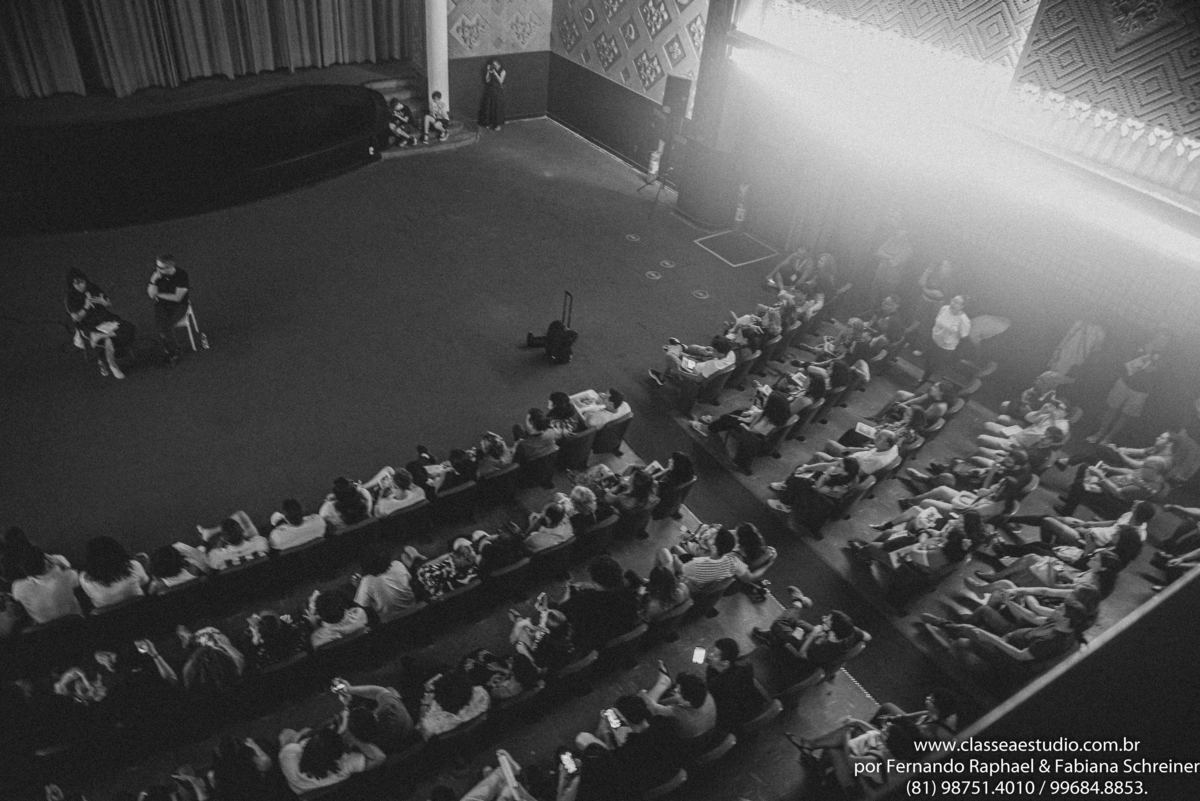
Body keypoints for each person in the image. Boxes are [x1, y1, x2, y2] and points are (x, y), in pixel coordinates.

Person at [1088, 329, 1170, 446]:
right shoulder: (1141, 344)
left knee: (1125, 416)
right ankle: (1099, 434)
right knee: (1111, 409)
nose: (1161, 342)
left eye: (1165, 340)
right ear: (1155, 336)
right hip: (1125, 382)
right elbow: (1125, 357)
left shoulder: (1164, 357)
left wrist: (1154, 370)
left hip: (1141, 390)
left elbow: (1162, 375)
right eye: (1160, 338)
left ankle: (1108, 438)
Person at [554, 555, 640, 650]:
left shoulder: (582, 601)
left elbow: (561, 610)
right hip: (617, 630)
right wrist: (593, 588)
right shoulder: (630, 593)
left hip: (593, 639)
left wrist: (567, 591)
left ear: (594, 580)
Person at [65, 268, 134, 379]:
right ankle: (112, 365)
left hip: (105, 318)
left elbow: (108, 303)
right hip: (88, 323)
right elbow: (76, 318)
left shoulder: (93, 288)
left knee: (128, 328)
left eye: (82, 282)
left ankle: (102, 340)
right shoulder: (70, 298)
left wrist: (104, 302)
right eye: (77, 284)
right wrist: (86, 306)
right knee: (107, 341)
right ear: (72, 285)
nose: (81, 286)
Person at [277, 723, 384, 795]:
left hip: (298, 789)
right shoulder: (346, 764)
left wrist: (301, 734)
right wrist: (355, 739)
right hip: (321, 790)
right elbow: (380, 757)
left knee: (287, 733)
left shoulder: (289, 754)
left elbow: (287, 737)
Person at [1054, 456, 1167, 516]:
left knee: (1080, 485)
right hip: (1110, 483)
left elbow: (1119, 493)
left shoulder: (1148, 488)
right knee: (1085, 467)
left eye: (1146, 466)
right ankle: (1072, 498)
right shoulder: (1146, 472)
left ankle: (1068, 510)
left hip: (1113, 498)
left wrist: (1101, 477)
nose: (1143, 467)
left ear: (1155, 470)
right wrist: (1110, 468)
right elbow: (1130, 471)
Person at [640, 666, 717, 749]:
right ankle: (664, 682)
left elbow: (654, 709)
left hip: (690, 742)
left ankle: (664, 682)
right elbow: (678, 700)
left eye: (678, 691)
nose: (675, 690)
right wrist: (663, 702)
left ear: (687, 701)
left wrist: (643, 694)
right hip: (708, 729)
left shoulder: (679, 713)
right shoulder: (705, 695)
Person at [333, 679, 414, 753]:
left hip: (392, 747)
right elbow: (378, 692)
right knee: (390, 690)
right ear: (375, 715)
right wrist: (350, 689)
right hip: (407, 730)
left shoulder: (369, 744)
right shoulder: (391, 709)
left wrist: (347, 705)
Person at [704, 638, 767, 731]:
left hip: (737, 716)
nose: (710, 655)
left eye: (715, 655)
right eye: (712, 651)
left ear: (725, 663)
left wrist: (711, 669)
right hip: (753, 703)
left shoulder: (717, 683)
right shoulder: (746, 665)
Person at [10, 544, 82, 624]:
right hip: (75, 621)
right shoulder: (64, 575)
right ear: (45, 561)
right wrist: (60, 564)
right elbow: (77, 578)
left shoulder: (18, 588)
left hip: (46, 631)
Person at [418, 666, 491, 738]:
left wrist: (424, 705)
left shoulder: (434, 725)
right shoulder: (481, 694)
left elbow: (423, 732)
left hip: (426, 727)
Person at [79, 535, 150, 608]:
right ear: (118, 549)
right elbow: (145, 581)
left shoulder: (84, 578)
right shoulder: (134, 565)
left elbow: (90, 595)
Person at [146, 254, 190, 366]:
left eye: (161, 268)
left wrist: (159, 295)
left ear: (170, 267)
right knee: (162, 327)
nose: (157, 269)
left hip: (179, 306)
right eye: (157, 266)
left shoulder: (181, 275)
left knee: (165, 327)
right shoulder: (157, 274)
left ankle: (173, 352)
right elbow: (151, 295)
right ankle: (172, 350)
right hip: (162, 306)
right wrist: (153, 280)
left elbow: (177, 298)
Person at [353, 542, 416, 619]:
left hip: (390, 619)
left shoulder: (366, 581)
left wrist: (358, 586)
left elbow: (362, 605)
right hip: (413, 608)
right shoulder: (397, 564)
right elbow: (409, 580)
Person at [647, 336, 735, 387]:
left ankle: (662, 377)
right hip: (699, 365)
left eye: (715, 350)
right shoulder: (731, 354)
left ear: (720, 352)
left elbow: (698, 379)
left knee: (671, 356)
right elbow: (717, 357)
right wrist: (711, 352)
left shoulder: (713, 365)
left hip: (692, 371)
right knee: (695, 348)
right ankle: (679, 347)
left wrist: (680, 372)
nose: (713, 351)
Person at [923, 294, 971, 382]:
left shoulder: (963, 320)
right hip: (934, 340)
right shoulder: (944, 308)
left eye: (957, 303)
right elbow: (937, 321)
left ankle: (926, 385)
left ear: (962, 306)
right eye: (953, 300)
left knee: (936, 368)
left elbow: (964, 337)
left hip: (945, 348)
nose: (953, 303)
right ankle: (922, 379)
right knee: (928, 363)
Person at [196, 511, 269, 570]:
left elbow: (203, 560)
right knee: (240, 515)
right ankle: (210, 532)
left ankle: (209, 532)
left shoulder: (217, 557)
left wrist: (205, 541)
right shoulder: (260, 543)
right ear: (243, 531)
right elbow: (241, 515)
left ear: (224, 539)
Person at [362, 467, 427, 517]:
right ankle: (362, 486)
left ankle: (361, 487)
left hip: (374, 510)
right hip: (412, 519)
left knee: (364, 492)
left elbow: (377, 513)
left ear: (395, 486)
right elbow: (411, 485)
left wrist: (382, 492)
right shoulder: (420, 492)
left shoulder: (385, 505)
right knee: (389, 470)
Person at [652, 451, 695, 520]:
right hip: (672, 506)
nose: (669, 460)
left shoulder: (667, 482)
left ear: (676, 465)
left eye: (672, 460)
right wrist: (668, 469)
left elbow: (650, 481)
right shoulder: (687, 477)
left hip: (659, 509)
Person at [480, 59, 506, 130]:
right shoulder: (491, 70)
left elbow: (501, 81)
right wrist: (488, 71)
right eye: (493, 65)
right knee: (489, 107)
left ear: (499, 65)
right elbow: (487, 80)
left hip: (498, 91)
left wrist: (495, 73)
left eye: (495, 65)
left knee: (497, 108)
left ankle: (497, 125)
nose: (494, 66)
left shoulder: (503, 71)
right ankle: (488, 123)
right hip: (490, 91)